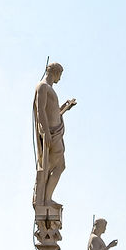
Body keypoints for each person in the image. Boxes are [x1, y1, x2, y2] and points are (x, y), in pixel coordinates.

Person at [33, 63, 77, 207]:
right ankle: (43, 198)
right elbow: (40, 110)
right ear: (55, 72)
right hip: (51, 133)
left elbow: (53, 113)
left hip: (55, 132)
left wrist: (65, 108)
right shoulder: (42, 86)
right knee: (50, 167)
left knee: (60, 166)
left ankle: (46, 198)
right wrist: (46, 132)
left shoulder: (49, 88)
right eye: (60, 74)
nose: (60, 78)